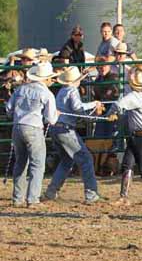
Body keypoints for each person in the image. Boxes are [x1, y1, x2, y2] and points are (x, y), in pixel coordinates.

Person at [43, 67, 103, 204]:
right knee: (86, 159)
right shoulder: (72, 91)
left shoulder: (62, 91)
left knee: (66, 161)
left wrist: (82, 75)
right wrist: (94, 104)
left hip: (55, 129)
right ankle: (91, 194)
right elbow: (77, 107)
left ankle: (51, 191)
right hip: (65, 130)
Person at [6, 62, 59, 208]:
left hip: (17, 127)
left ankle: (17, 198)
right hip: (34, 128)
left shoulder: (21, 89)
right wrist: (56, 115)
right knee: (37, 164)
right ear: (45, 79)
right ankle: (33, 199)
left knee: (20, 163)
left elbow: (9, 109)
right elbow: (51, 119)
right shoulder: (47, 94)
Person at [106, 65, 142, 206]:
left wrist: (111, 113)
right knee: (127, 165)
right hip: (137, 135)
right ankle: (124, 197)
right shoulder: (140, 96)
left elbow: (119, 104)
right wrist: (112, 113)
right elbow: (120, 104)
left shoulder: (135, 97)